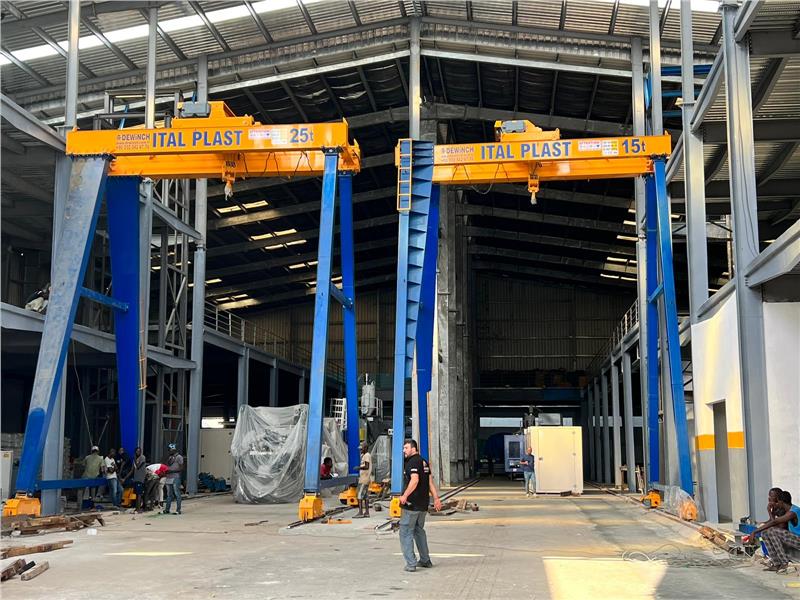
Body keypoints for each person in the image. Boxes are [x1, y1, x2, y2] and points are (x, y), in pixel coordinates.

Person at [398, 439, 442, 573]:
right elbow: (430, 482)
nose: (404, 451)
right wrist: (436, 498)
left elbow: (415, 480)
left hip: (412, 504)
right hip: (423, 504)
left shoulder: (412, 462)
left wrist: (405, 495)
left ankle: (411, 564)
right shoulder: (424, 462)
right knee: (418, 530)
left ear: (413, 449)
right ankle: (425, 560)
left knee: (405, 532)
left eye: (406, 448)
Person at [744, 489, 800, 572]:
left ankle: (784, 562)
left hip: (798, 540)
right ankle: (776, 563)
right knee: (764, 533)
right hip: (794, 538)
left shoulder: (793, 512)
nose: (776, 504)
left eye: (777, 502)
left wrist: (754, 532)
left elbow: (775, 522)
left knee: (772, 530)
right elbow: (773, 522)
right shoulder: (788, 510)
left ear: (781, 502)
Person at [163, 443, 184, 515]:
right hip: (168, 477)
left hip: (175, 477)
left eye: (170, 450)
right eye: (169, 450)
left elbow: (181, 468)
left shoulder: (179, 457)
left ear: (173, 449)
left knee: (177, 493)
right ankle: (167, 509)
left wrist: (172, 471)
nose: (169, 451)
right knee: (169, 494)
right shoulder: (170, 457)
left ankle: (178, 510)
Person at [355, 442, 373, 518]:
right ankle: (367, 512)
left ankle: (360, 512)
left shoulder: (367, 455)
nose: (360, 450)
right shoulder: (364, 455)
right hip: (364, 478)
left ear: (365, 448)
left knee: (359, 494)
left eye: (361, 449)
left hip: (364, 479)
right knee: (365, 496)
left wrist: (358, 468)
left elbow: (366, 466)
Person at [131, 447, 147, 512]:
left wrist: (135, 459)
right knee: (137, 494)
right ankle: (137, 507)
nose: (138, 452)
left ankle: (139, 508)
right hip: (136, 478)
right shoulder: (135, 459)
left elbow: (138, 466)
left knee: (139, 494)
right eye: (137, 451)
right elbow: (132, 469)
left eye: (139, 451)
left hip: (140, 478)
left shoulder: (142, 457)